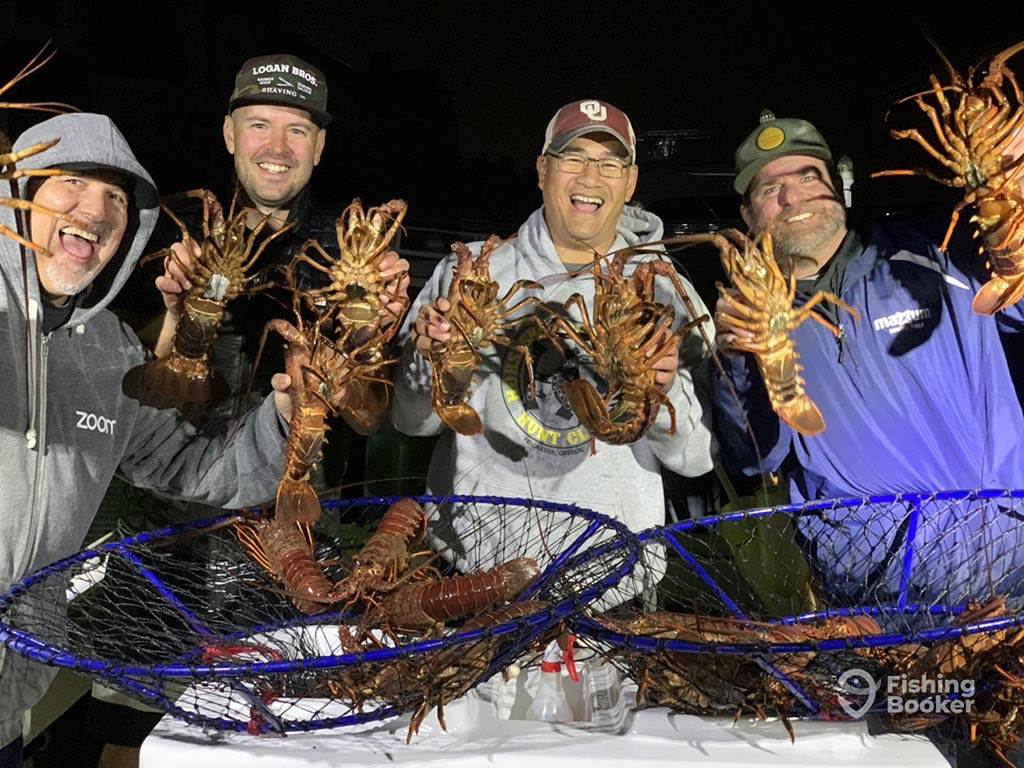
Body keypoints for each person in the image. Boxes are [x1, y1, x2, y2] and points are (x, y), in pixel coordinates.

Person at [90, 53, 410, 768]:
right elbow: (106, 376)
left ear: (320, 146)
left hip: (283, 540)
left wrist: (368, 335)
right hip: (158, 539)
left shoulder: (346, 249)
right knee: (129, 736)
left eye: (297, 130)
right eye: (259, 124)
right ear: (230, 132)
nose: (277, 146)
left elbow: (367, 420)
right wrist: (173, 315)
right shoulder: (158, 231)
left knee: (273, 737)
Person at [0, 112, 293, 768]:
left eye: (117, 199)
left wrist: (288, 410)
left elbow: (202, 470)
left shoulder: (110, 353)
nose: (96, 209)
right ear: (15, 193)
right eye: (71, 181)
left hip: (10, 698)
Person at [711, 111, 1024, 608]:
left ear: (841, 186)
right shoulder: (752, 316)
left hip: (1010, 567)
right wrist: (735, 362)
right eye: (769, 189)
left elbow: (1015, 285)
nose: (792, 197)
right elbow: (753, 457)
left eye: (808, 177)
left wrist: (1015, 181)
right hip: (874, 601)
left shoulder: (941, 250)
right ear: (749, 218)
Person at [390, 99, 715, 577]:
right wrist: (429, 363)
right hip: (472, 575)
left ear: (630, 182)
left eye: (609, 164)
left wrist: (662, 388)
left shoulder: (668, 290)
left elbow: (698, 458)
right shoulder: (469, 273)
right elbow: (409, 421)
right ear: (543, 170)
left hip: (613, 578)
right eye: (574, 158)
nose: (590, 178)